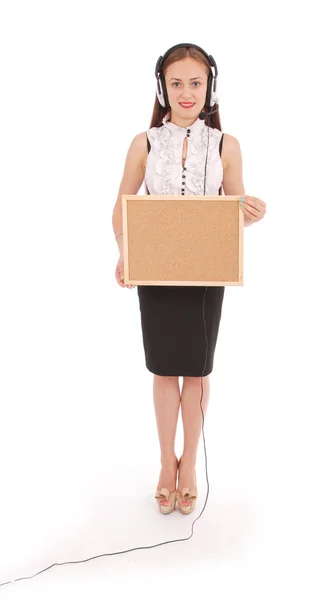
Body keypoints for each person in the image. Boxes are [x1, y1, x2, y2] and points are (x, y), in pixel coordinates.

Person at [111, 43, 266, 515]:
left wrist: (250, 213)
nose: (186, 92)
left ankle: (189, 466)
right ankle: (165, 462)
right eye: (176, 83)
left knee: (196, 371)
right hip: (157, 270)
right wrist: (125, 252)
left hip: (205, 272)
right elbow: (123, 203)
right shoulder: (144, 142)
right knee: (163, 369)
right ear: (163, 86)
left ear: (209, 88)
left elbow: (231, 210)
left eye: (195, 83)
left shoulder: (225, 145)